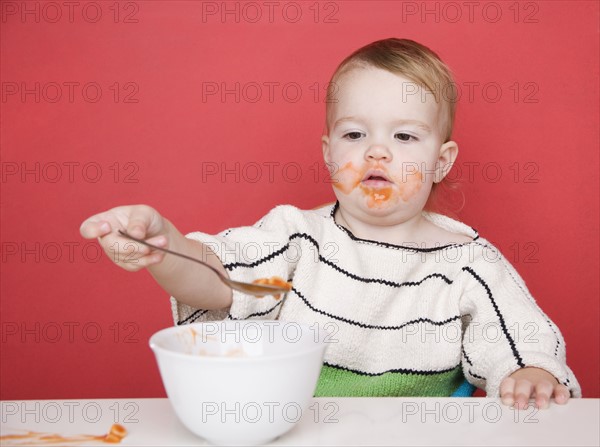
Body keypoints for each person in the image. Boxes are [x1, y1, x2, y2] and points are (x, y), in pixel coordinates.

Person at [80, 38, 581, 408]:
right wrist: (163, 243)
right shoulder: (297, 238)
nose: (377, 150)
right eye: (355, 133)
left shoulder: (467, 261)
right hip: (306, 427)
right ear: (328, 151)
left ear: (442, 161)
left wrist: (530, 371)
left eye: (405, 138)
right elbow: (217, 280)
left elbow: (518, 335)